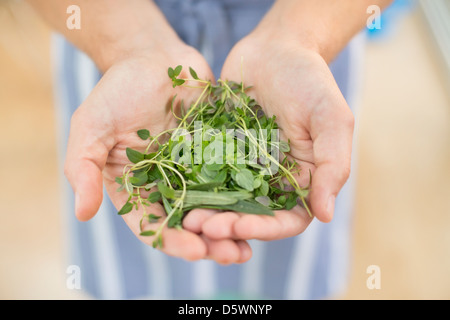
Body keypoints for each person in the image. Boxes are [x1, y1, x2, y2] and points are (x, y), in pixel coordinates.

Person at [28, 0, 392, 299]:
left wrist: (299, 38)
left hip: (306, 48)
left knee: (283, 277)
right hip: (110, 36)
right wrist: (128, 46)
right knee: (135, 276)